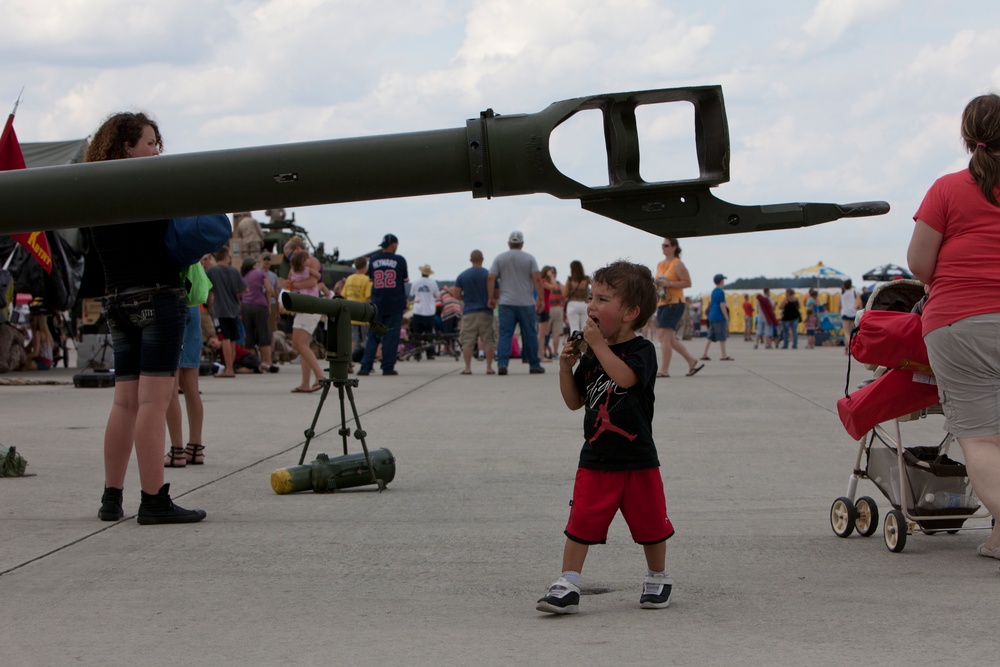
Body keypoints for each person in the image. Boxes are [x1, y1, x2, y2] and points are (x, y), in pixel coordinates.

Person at [84, 110, 205, 524]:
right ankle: (154, 500)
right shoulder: (150, 186)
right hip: (158, 295)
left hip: (116, 300)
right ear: (127, 146)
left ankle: (110, 497)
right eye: (150, 142)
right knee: (155, 401)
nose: (157, 150)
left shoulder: (92, 190)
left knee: (124, 402)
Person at [536, 260, 674, 615]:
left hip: (638, 456)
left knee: (650, 523)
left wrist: (597, 347)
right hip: (596, 455)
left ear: (630, 312)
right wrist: (566, 368)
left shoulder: (641, 351)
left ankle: (657, 576)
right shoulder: (592, 355)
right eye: (591, 297)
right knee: (580, 520)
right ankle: (567, 581)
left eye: (603, 299)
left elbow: (626, 379)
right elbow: (574, 401)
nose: (592, 306)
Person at [906, 92, 1000, 564]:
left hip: (962, 322)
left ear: (969, 138)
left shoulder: (947, 189)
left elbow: (920, 264)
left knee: (982, 437)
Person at [488, 231, 545, 375]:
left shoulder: (500, 258)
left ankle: (502, 364)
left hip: (506, 302)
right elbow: (537, 279)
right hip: (526, 302)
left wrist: (491, 297)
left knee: (505, 334)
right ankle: (534, 365)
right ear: (522, 244)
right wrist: (541, 298)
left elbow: (490, 277)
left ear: (509, 244)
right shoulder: (529, 258)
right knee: (530, 334)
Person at [359, 233, 408, 376]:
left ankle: (365, 366)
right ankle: (387, 366)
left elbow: (371, 279)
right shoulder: (400, 260)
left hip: (377, 302)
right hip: (395, 303)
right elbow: (404, 280)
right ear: (394, 244)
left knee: (373, 336)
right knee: (391, 338)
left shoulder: (374, 259)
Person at [654, 238, 702, 377]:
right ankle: (691, 360)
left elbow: (688, 283)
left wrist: (669, 284)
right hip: (663, 302)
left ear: (674, 247)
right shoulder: (660, 264)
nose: (663, 247)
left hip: (675, 303)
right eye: (662, 245)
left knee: (664, 336)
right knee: (670, 339)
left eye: (666, 245)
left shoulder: (678, 264)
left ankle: (664, 369)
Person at [285, 248, 325, 392]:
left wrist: (292, 285)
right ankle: (305, 383)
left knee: (299, 344)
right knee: (304, 346)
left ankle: (320, 376)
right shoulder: (303, 267)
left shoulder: (310, 265)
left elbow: (313, 281)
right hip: (304, 308)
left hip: (307, 308)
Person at [205, 246, 247, 378]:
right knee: (233, 339)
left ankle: (228, 369)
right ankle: (231, 367)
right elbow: (244, 290)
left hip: (220, 309)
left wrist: (209, 305)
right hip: (234, 309)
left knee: (224, 339)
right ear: (226, 256)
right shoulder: (234, 271)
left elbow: (208, 291)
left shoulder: (212, 271)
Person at [453, 249, 496, 375]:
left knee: (467, 340)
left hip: (469, 311)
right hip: (485, 312)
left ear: (470, 260)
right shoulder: (489, 275)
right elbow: (496, 293)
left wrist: (464, 298)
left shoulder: (463, 275)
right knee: (488, 339)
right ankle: (489, 367)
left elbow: (456, 294)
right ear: (482, 259)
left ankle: (468, 368)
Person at [240, 256, 277, 373]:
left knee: (249, 337)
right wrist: (269, 306)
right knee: (264, 335)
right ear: (253, 265)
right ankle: (267, 362)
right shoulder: (260, 273)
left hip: (246, 307)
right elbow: (269, 289)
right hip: (259, 306)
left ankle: (253, 363)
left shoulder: (243, 276)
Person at [341, 256, 372, 360]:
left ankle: (348, 360)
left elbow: (344, 295)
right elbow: (368, 298)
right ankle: (365, 359)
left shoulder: (349, 278)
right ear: (365, 266)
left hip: (350, 313)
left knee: (352, 340)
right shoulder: (367, 280)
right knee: (365, 340)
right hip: (362, 313)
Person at [409, 264, 439, 360]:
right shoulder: (433, 283)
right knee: (429, 334)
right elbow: (437, 294)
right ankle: (430, 353)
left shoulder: (416, 282)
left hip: (418, 310)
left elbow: (412, 294)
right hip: (429, 311)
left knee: (417, 333)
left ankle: (417, 353)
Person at [700, 274, 732, 361]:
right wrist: (726, 317)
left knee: (709, 336)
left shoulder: (713, 291)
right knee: (722, 336)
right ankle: (723, 355)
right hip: (719, 316)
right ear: (721, 281)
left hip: (712, 315)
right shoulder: (721, 292)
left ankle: (704, 354)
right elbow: (722, 305)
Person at [563, 260, 590, 334]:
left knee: (574, 328)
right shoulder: (586, 279)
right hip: (584, 304)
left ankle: (575, 345)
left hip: (572, 304)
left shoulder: (570, 280)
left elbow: (564, 294)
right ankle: (584, 344)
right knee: (584, 327)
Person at [537, 265, 557, 363]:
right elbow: (554, 286)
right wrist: (552, 276)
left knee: (542, 334)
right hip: (544, 309)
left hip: (546, 308)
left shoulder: (543, 282)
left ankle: (540, 355)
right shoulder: (543, 282)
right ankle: (540, 356)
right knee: (542, 334)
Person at [260, 251, 281, 339]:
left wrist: (277, 310)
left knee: (272, 329)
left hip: (272, 304)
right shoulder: (257, 273)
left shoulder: (274, 276)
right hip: (260, 303)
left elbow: (276, 293)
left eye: (268, 259)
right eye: (265, 259)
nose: (267, 261)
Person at [547, 266, 565, 359]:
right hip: (558, 308)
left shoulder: (545, 283)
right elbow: (564, 296)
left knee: (545, 332)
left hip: (548, 308)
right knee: (556, 332)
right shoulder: (559, 285)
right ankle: (555, 352)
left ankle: (544, 351)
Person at [840, 278, 859, 353]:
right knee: (850, 332)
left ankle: (850, 347)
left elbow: (839, 305)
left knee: (846, 332)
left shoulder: (842, 292)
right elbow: (859, 302)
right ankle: (846, 348)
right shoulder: (854, 291)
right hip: (853, 313)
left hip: (845, 313)